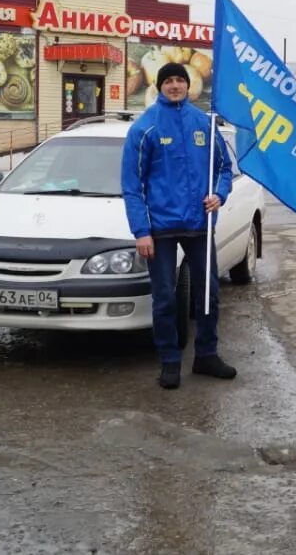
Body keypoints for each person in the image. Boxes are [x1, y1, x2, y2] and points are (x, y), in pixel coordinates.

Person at [122, 62, 236, 390]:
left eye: (180, 80)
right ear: (160, 86)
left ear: (188, 85)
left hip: (200, 225)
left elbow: (224, 168)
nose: (175, 85)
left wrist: (220, 194)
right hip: (160, 228)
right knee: (164, 299)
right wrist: (141, 231)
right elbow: (131, 185)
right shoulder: (144, 128)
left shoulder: (205, 124)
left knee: (208, 295)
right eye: (168, 81)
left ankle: (206, 355)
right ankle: (169, 361)